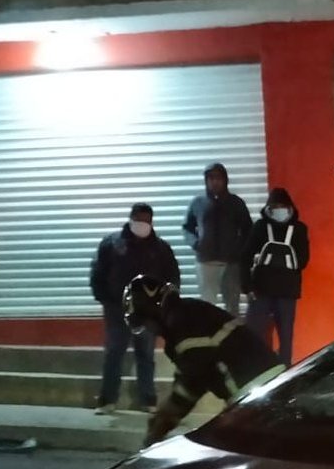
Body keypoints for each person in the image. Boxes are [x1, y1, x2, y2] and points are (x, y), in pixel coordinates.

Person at [123, 274, 283, 447]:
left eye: (145, 321)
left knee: (220, 451)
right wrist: (166, 417)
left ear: (151, 311)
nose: (150, 330)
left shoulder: (183, 321)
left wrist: (164, 420)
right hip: (267, 388)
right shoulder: (188, 313)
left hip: (256, 393)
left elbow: (193, 378)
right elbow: (194, 381)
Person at [89, 202, 180, 415]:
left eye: (147, 221)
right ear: (131, 219)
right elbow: (98, 272)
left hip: (147, 311)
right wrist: (104, 298)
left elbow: (172, 276)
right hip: (117, 308)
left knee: (146, 355)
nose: (143, 224)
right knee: (114, 353)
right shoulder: (112, 244)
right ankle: (107, 400)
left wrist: (165, 302)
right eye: (139, 220)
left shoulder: (160, 248)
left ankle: (148, 399)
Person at [243, 187, 310, 367]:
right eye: (275, 206)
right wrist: (246, 287)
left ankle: (282, 373)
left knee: (284, 337)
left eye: (282, 205)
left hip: (281, 292)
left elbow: (303, 260)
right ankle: (262, 370)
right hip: (265, 291)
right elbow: (245, 257)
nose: (279, 209)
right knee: (259, 336)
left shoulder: (298, 229)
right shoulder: (261, 227)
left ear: (290, 207)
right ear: (269, 207)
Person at [182, 162, 253, 316]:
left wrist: (238, 250)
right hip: (206, 263)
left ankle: (233, 339)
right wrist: (195, 243)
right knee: (206, 307)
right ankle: (209, 338)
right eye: (211, 178)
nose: (215, 181)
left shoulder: (236, 203)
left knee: (232, 306)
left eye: (219, 178)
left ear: (225, 180)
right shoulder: (198, 203)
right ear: (206, 181)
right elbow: (187, 227)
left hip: (231, 263)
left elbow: (248, 229)